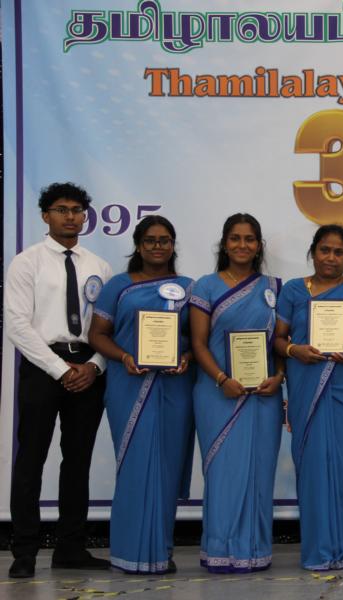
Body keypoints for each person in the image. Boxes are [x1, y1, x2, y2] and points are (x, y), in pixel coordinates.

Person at [4, 182, 113, 578]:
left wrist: (95, 366)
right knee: (31, 459)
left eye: (77, 210)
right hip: (43, 366)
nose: (71, 217)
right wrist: (59, 368)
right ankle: (24, 552)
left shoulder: (99, 266)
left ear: (85, 217)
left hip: (87, 367)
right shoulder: (27, 262)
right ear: (45, 215)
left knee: (78, 460)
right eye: (62, 209)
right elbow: (17, 324)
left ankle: (70, 548)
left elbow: (109, 328)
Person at [87, 215, 194, 574]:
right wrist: (124, 357)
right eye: (150, 240)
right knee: (135, 465)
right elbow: (97, 334)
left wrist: (186, 357)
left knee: (167, 466)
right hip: (129, 384)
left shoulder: (189, 288)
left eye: (164, 240)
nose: (157, 246)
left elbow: (198, 340)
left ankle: (159, 551)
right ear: (138, 245)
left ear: (173, 245)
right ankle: (130, 553)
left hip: (175, 388)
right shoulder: (118, 286)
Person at [274, 225, 343, 571]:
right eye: (325, 250)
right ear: (313, 252)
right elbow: (278, 339)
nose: (331, 258)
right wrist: (293, 350)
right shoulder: (293, 290)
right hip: (306, 387)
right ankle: (318, 551)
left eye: (339, 252)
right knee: (312, 469)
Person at [189, 213, 285, 573]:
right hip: (218, 394)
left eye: (249, 239)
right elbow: (198, 343)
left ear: (258, 246)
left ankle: (254, 551)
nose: (242, 245)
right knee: (223, 473)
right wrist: (221, 379)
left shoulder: (274, 288)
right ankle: (221, 550)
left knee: (259, 472)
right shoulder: (206, 286)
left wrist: (279, 376)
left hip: (263, 395)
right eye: (235, 238)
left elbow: (280, 342)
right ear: (224, 244)